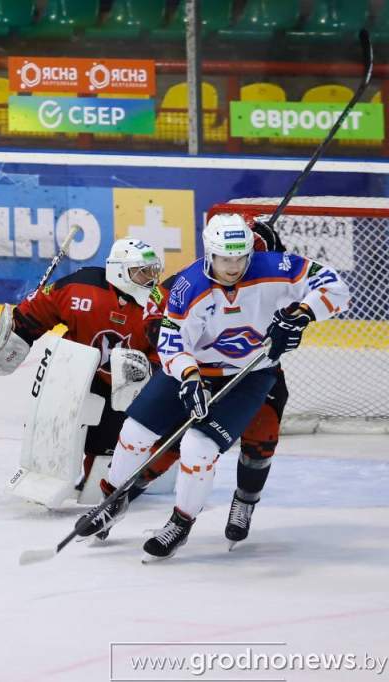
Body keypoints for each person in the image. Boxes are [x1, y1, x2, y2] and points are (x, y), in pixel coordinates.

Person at [78, 213, 350, 561]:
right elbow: (172, 339)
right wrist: (189, 375)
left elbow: (333, 284)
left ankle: (180, 523)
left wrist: (302, 312)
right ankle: (111, 502)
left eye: (240, 258)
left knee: (198, 446)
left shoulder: (275, 266)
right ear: (210, 253)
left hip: (249, 375)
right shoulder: (188, 286)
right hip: (194, 371)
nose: (233, 266)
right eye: (225, 258)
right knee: (134, 432)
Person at [0, 238, 164, 490]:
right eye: (141, 271)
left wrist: (150, 371)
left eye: (152, 270)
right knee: (52, 421)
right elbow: (37, 310)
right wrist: (16, 335)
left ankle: (105, 483)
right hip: (74, 372)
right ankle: (42, 470)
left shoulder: (160, 304)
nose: (150, 278)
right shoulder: (80, 287)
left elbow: (170, 350)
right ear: (120, 271)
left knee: (110, 437)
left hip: (126, 383)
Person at [138, 218, 290, 548]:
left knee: (263, 434)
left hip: (254, 372)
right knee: (177, 437)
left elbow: (300, 310)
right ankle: (129, 490)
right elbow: (155, 311)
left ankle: (245, 502)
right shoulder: (195, 280)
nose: (238, 269)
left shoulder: (274, 281)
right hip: (203, 372)